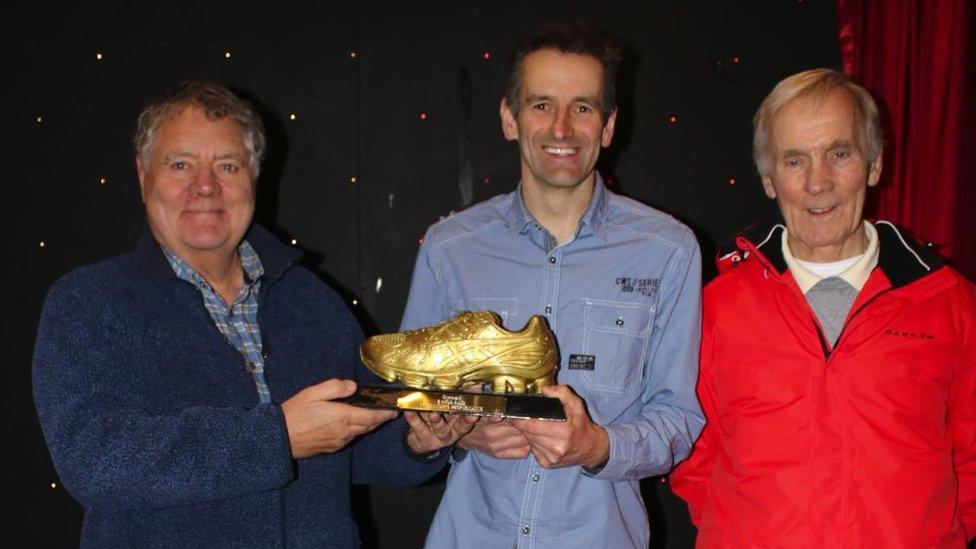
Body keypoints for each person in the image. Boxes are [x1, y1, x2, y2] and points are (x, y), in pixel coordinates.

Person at [32, 81, 472, 547]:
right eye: (180, 165)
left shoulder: (311, 299)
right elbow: (97, 462)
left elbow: (355, 444)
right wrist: (277, 437)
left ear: (253, 178)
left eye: (227, 165)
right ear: (144, 178)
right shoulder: (88, 302)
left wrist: (417, 442)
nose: (205, 186)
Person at [399, 22, 704, 548]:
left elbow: (678, 419)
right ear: (509, 117)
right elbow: (417, 402)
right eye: (541, 105)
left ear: (608, 126)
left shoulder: (668, 250)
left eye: (582, 108)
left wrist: (598, 447)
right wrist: (451, 433)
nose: (561, 127)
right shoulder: (451, 248)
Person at [670, 68, 976, 547]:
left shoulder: (949, 303)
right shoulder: (719, 306)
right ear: (770, 179)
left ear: (874, 163)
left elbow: (972, 463)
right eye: (795, 161)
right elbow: (692, 454)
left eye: (839, 153)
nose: (818, 182)